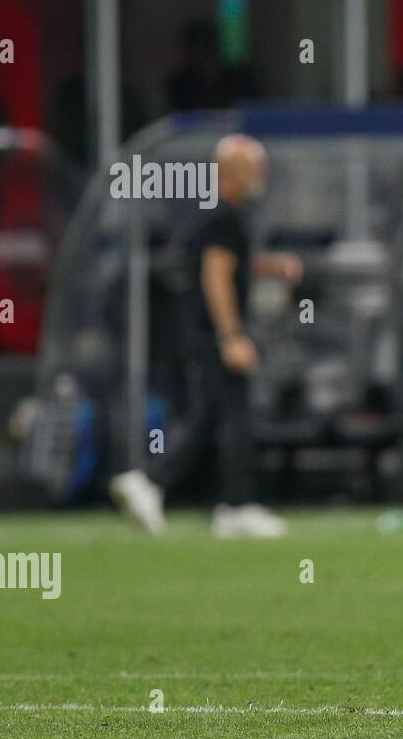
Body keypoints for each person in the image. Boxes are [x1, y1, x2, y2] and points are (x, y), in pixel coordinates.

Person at [110, 135, 302, 537]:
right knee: (235, 415)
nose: (261, 175)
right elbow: (216, 276)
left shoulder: (209, 214)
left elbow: (227, 264)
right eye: (254, 166)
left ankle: (152, 483)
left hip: (197, 332)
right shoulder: (224, 217)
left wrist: (269, 267)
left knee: (208, 415)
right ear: (234, 171)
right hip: (213, 333)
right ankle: (234, 504)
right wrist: (231, 335)